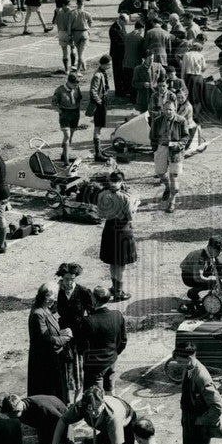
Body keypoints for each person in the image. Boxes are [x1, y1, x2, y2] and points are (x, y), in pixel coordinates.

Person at [28, 281, 81, 403]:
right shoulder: (38, 314)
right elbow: (46, 339)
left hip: (51, 356)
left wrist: (63, 332)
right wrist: (66, 338)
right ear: (47, 297)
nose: (55, 299)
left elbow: (50, 332)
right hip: (45, 360)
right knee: (50, 389)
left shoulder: (44, 308)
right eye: (54, 296)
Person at [99, 171, 138, 300]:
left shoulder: (102, 195)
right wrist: (136, 205)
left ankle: (115, 287)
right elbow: (130, 217)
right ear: (122, 182)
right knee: (121, 264)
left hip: (109, 228)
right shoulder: (126, 197)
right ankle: (119, 293)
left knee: (112, 262)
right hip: (123, 230)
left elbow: (100, 214)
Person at [81, 285, 128, 392]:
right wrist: (114, 353)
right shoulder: (117, 315)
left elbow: (82, 346)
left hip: (95, 366)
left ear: (94, 299)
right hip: (112, 360)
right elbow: (123, 340)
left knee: (94, 398)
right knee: (110, 391)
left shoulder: (89, 321)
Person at [150, 98, 191, 214]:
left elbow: (186, 137)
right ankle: (167, 186)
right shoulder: (157, 121)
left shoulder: (181, 121)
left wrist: (177, 145)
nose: (168, 112)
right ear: (162, 109)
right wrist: (155, 148)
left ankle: (172, 202)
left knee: (174, 177)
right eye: (166, 109)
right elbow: (152, 136)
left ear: (175, 110)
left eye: (170, 110)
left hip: (175, 151)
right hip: (161, 148)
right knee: (160, 172)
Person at [179, 236, 222, 312]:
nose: (219, 253)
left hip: (201, 271)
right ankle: (193, 293)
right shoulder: (200, 257)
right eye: (217, 251)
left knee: (219, 276)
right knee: (213, 282)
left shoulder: (211, 253)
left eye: (220, 251)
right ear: (210, 247)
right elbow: (198, 278)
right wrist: (212, 279)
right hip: (189, 276)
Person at [51, 74, 82, 165]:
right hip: (65, 114)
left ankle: (64, 154)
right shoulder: (59, 90)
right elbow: (53, 103)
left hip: (75, 113)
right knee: (67, 136)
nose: (75, 86)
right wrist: (60, 112)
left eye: (76, 84)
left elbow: (79, 99)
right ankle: (66, 161)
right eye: (74, 84)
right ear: (68, 82)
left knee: (71, 135)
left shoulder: (77, 88)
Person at [88, 55, 110, 161]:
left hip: (102, 102)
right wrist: (99, 101)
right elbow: (93, 91)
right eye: (109, 64)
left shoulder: (102, 73)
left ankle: (99, 151)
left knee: (100, 127)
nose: (110, 66)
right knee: (98, 127)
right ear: (104, 64)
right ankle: (97, 153)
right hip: (99, 104)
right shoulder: (98, 75)